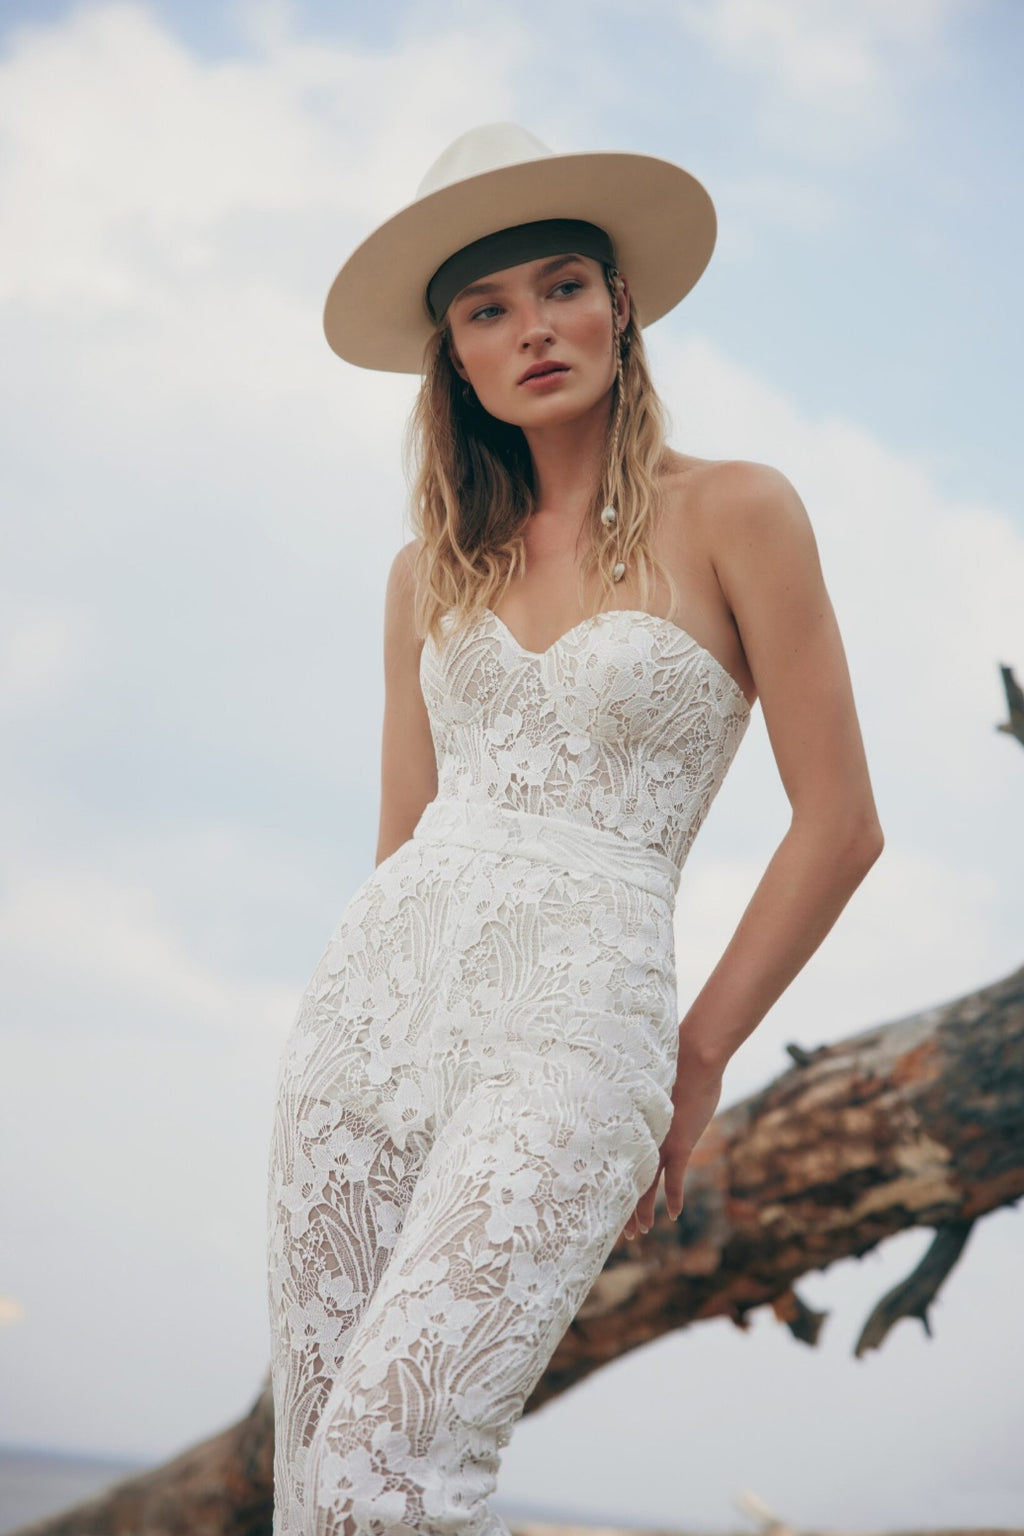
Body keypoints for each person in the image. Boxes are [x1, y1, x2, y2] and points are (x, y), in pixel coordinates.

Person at [266, 123, 883, 1536]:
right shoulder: (423, 572)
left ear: (621, 307)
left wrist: (698, 1055)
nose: (533, 328)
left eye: (561, 286)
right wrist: (376, 1012)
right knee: (316, 1476)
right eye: (488, 309)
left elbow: (841, 823)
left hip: (578, 1029)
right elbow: (403, 837)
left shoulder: (738, 510)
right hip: (368, 1026)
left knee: (394, 1461)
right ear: (456, 359)